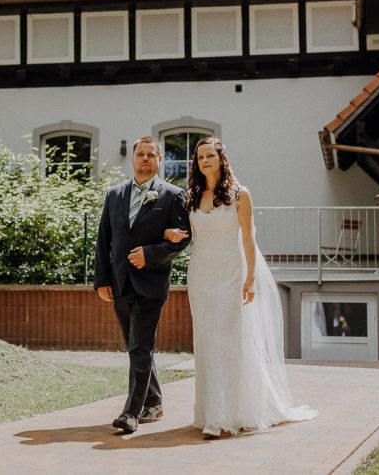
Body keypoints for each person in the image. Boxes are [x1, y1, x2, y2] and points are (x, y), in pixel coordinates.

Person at [164, 136, 317, 438]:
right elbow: (185, 234)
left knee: (228, 340)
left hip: (231, 273)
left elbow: (248, 238)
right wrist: (170, 233)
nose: (204, 161)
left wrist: (250, 277)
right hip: (201, 276)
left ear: (221, 158)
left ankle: (222, 417)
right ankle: (209, 411)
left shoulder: (239, 194)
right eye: (200, 157)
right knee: (206, 341)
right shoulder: (191, 195)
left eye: (210, 155)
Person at [94, 136, 191, 434]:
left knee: (139, 346)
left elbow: (183, 237)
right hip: (120, 282)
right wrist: (102, 280)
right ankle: (155, 401)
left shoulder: (173, 195)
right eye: (141, 154)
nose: (145, 159)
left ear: (160, 160)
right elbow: (104, 240)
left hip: (151, 283)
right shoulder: (114, 195)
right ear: (133, 158)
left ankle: (131, 413)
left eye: (151, 154)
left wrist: (150, 254)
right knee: (137, 348)